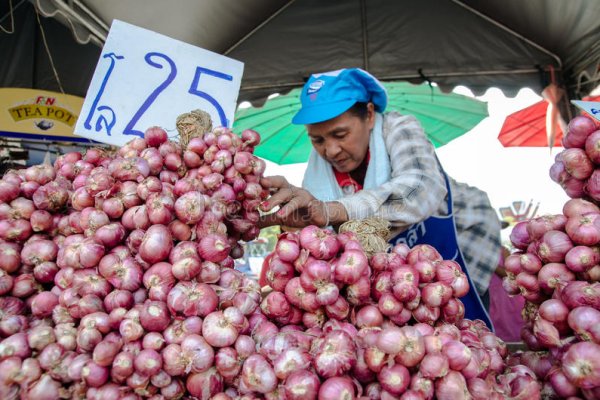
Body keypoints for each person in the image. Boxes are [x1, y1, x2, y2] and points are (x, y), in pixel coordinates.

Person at [258, 68, 501, 328]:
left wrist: (333, 211)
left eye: (340, 135)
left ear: (370, 115)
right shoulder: (316, 174)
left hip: (465, 245)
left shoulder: (399, 127)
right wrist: (297, 226)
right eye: (317, 140)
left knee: (461, 332)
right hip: (394, 288)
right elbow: (325, 245)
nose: (330, 150)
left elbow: (421, 187)